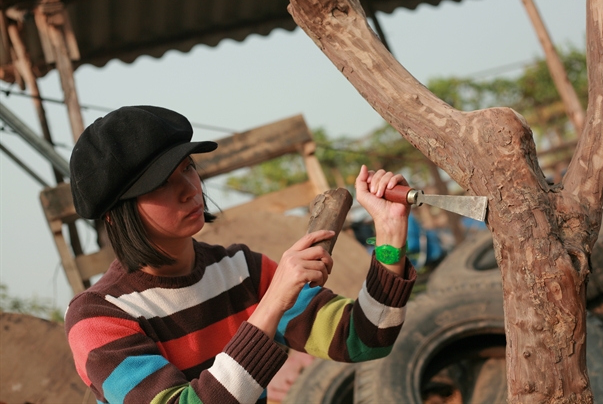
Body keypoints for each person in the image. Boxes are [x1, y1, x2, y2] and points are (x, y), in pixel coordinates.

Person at [64, 106, 416, 404]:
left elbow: (364, 340)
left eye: (187, 167)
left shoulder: (241, 270)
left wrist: (389, 234)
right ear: (115, 213)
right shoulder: (97, 318)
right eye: (160, 183)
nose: (190, 190)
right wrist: (272, 303)